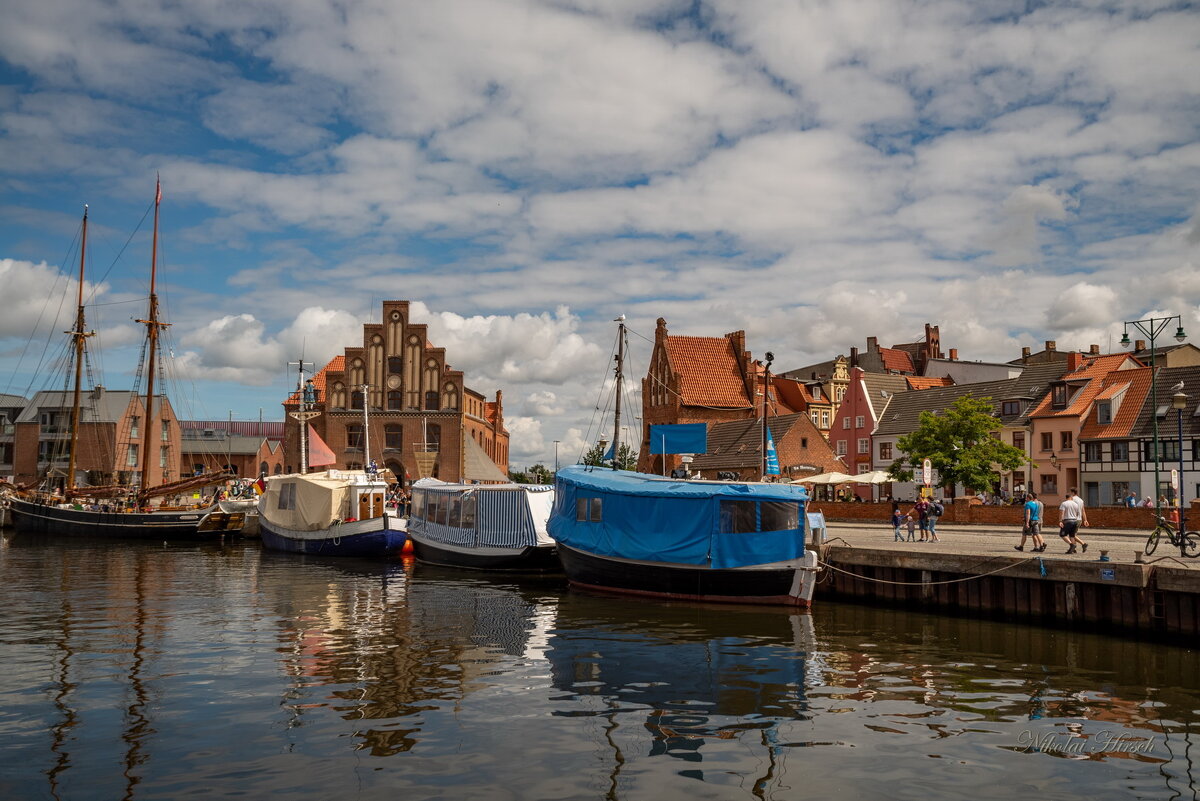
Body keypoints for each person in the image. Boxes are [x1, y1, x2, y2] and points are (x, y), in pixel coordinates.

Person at [1059, 487, 1089, 554]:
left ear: (1072, 492)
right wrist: (1085, 520)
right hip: (1079, 519)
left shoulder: (1072, 500)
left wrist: (1061, 520)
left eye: (1070, 492)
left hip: (1072, 519)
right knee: (1072, 535)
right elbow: (1083, 511)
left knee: (1072, 535)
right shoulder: (1081, 500)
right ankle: (1076, 547)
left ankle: (1079, 545)